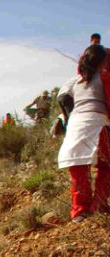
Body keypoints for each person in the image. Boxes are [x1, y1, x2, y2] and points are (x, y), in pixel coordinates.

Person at [57, 44, 110, 223]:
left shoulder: (76, 81)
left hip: (75, 124)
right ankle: (99, 205)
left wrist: (64, 117)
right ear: (103, 61)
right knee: (106, 166)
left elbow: (62, 97)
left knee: (78, 168)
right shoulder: (105, 78)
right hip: (95, 123)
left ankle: (79, 212)